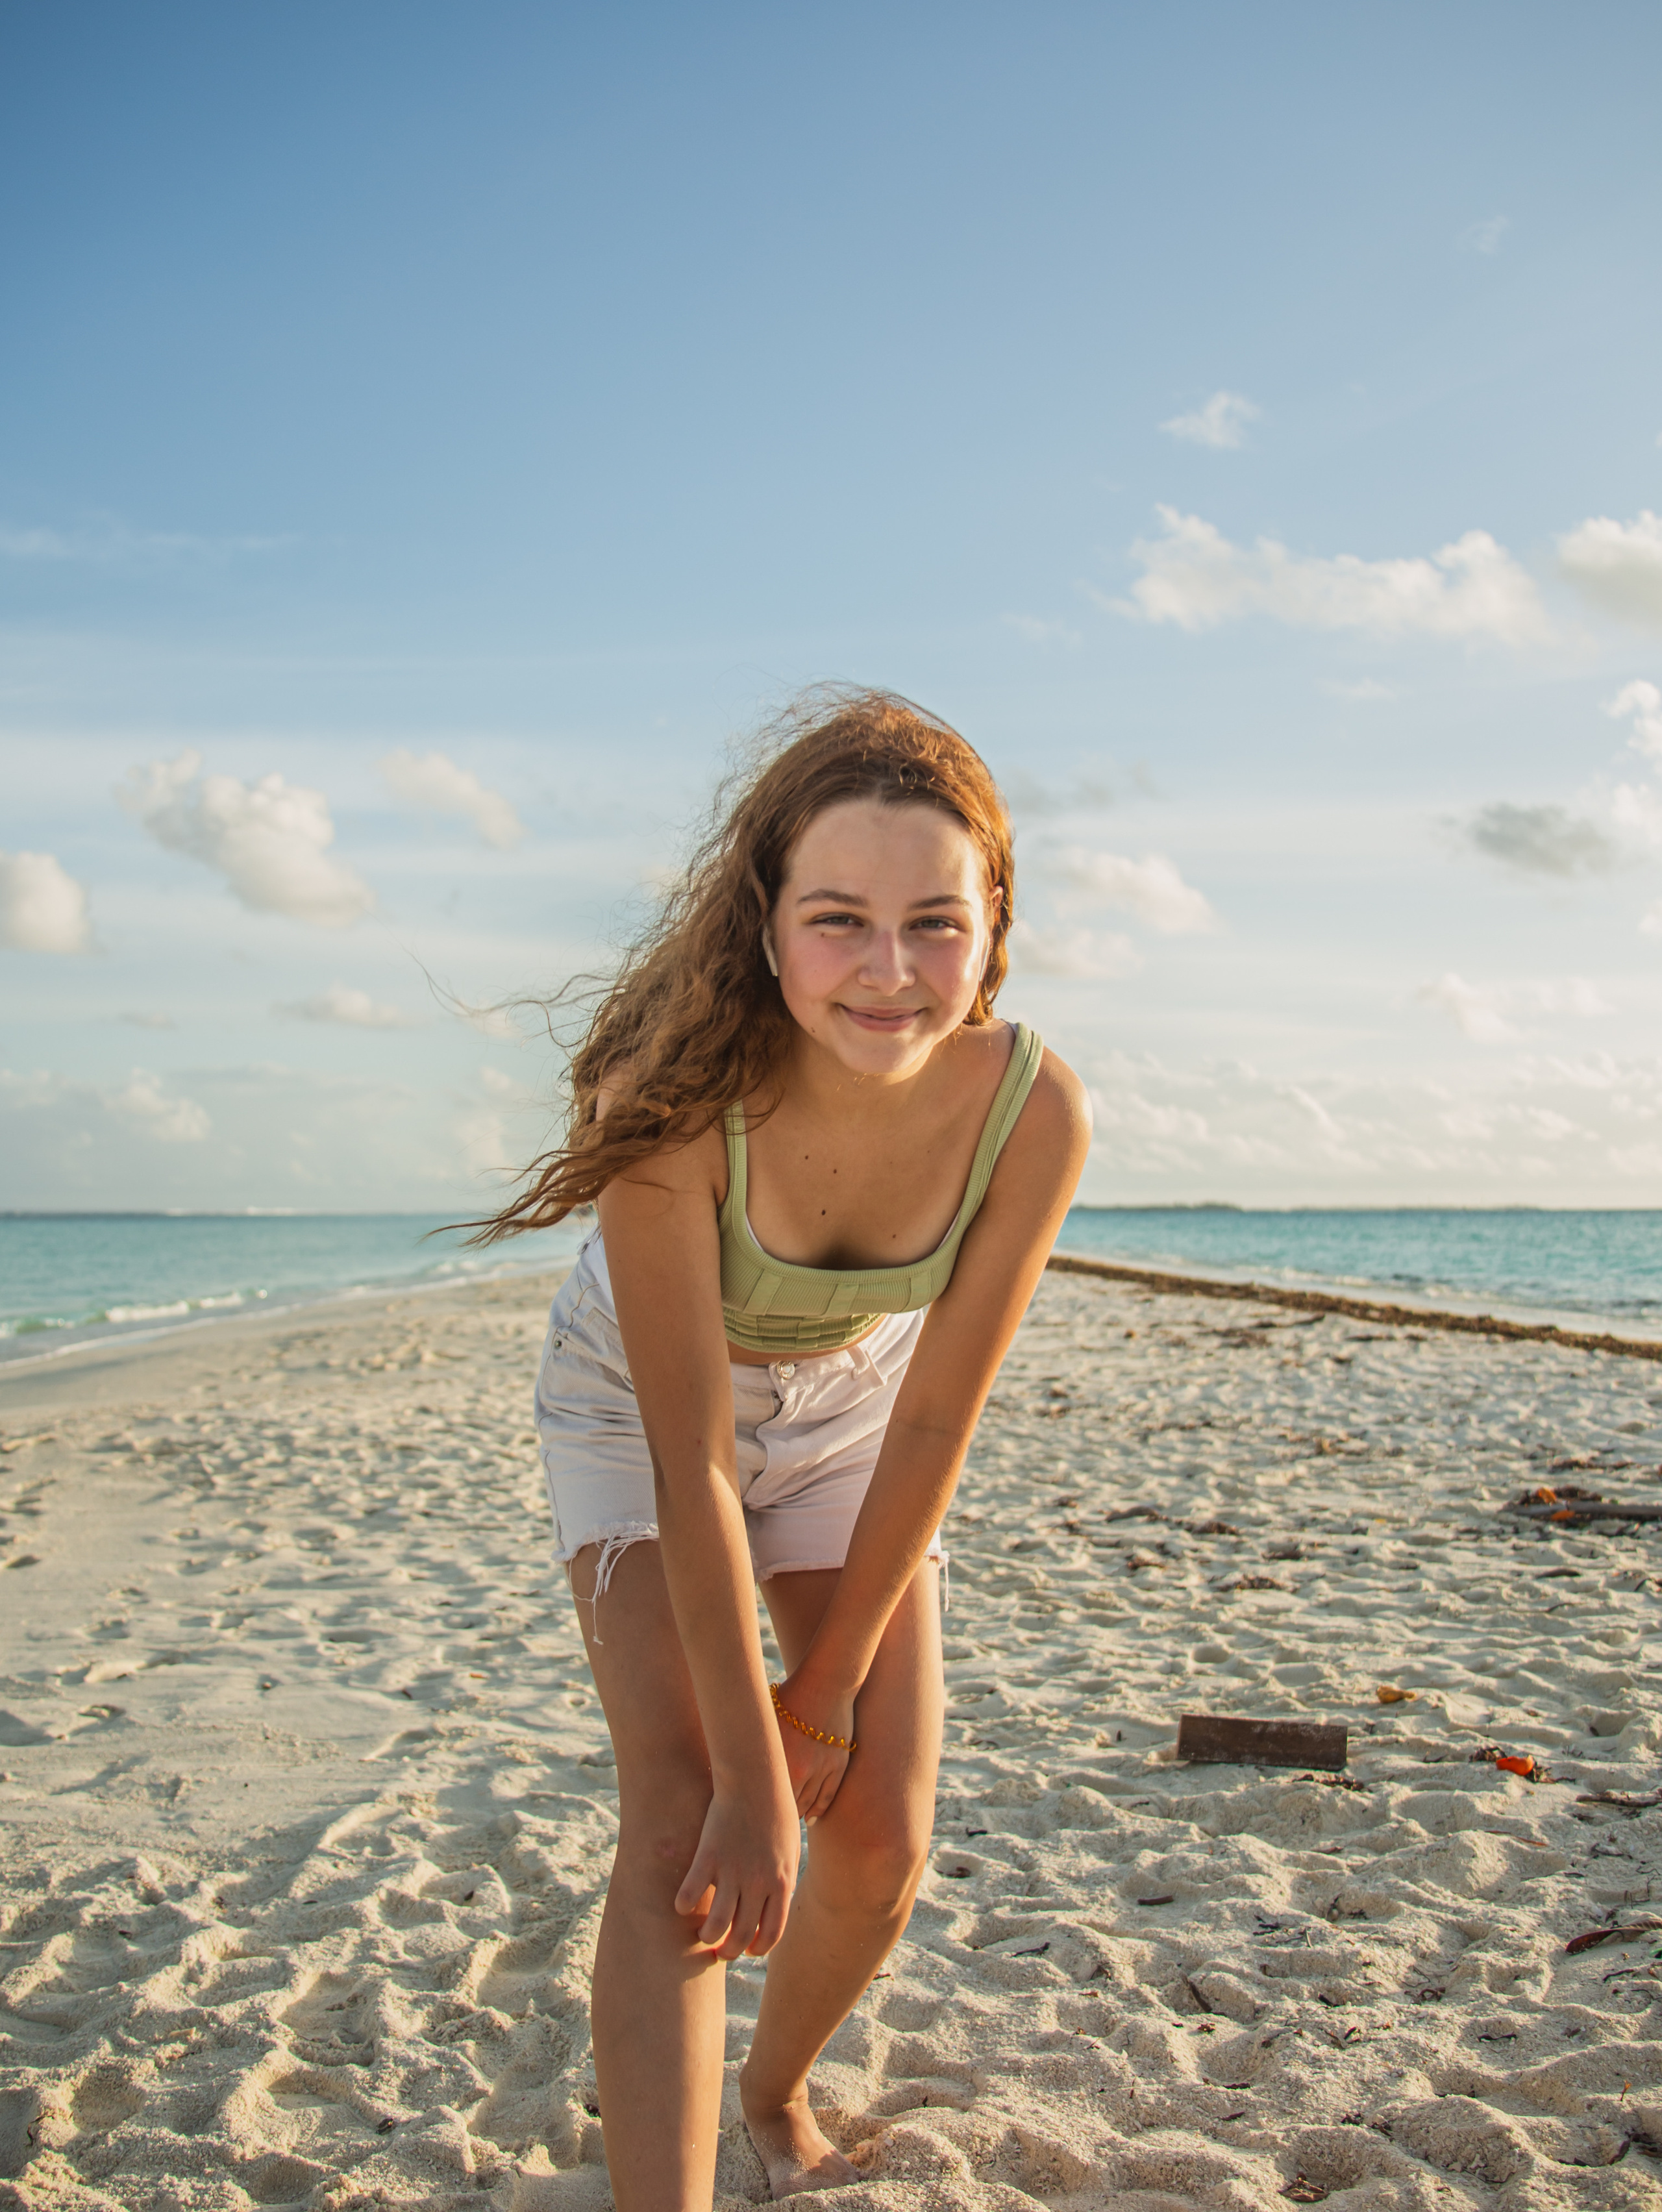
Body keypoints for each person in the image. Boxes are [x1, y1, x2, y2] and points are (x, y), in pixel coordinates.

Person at [484, 689, 1090, 2209]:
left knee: (878, 1827)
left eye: (932, 924)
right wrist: (754, 1770)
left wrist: (817, 1709)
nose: (888, 974)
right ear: (762, 927)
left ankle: (773, 2086)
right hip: (638, 1406)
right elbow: (687, 1460)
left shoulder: (1030, 1110)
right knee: (691, 1817)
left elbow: (940, 1413)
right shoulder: (674, 1106)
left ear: (992, 920)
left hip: (851, 1411)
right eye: (837, 920)